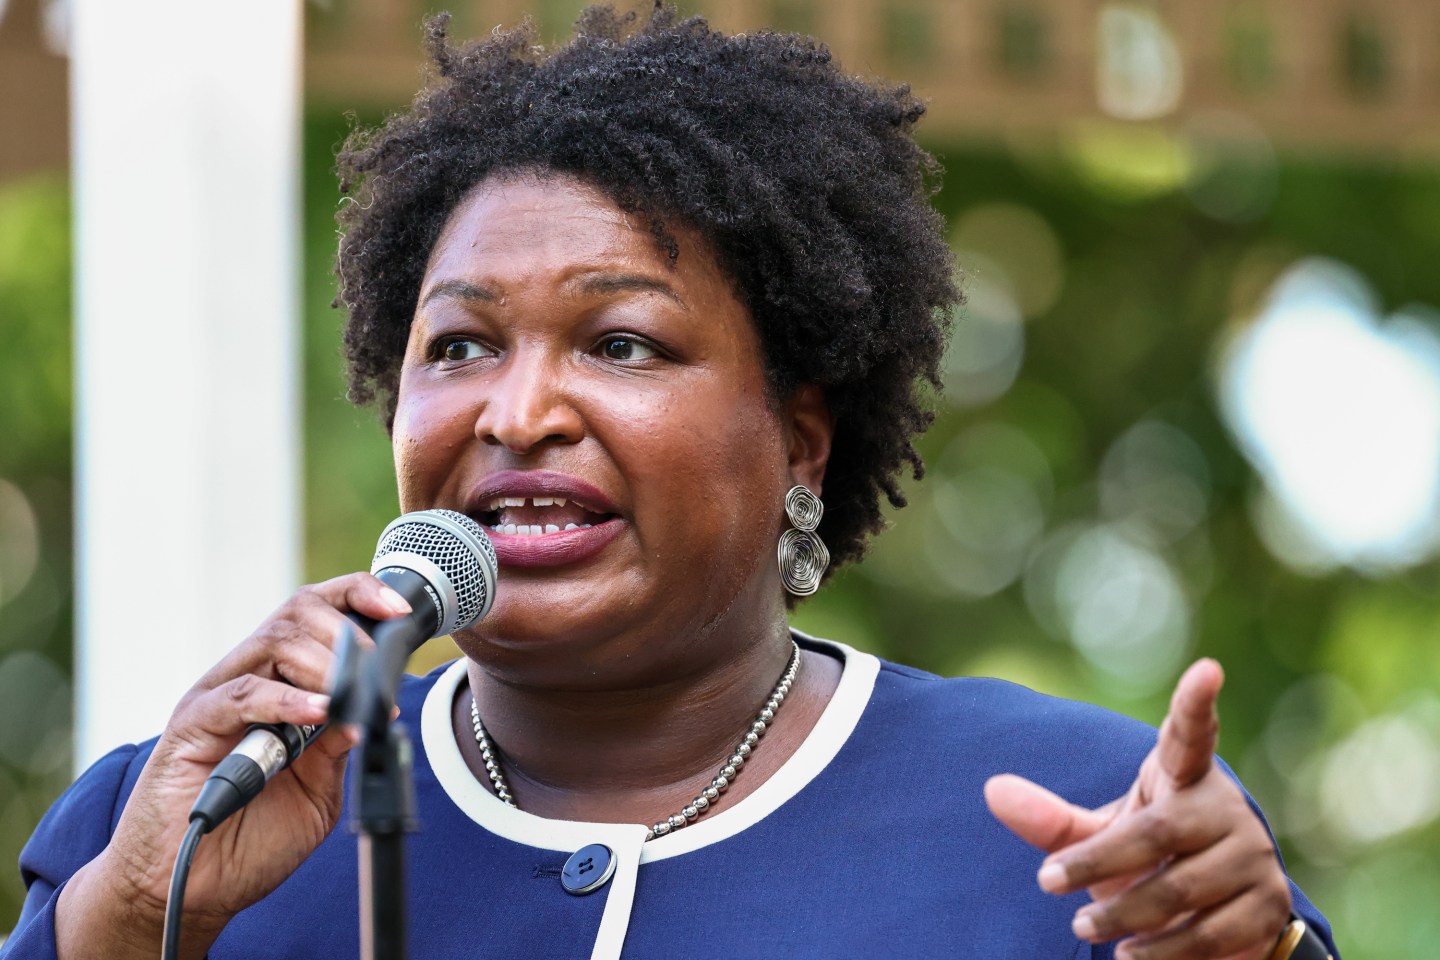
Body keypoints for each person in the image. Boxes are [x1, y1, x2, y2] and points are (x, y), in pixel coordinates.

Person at [4, 6, 1337, 959]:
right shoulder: (180, 824)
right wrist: (133, 918)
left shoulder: (1083, 829)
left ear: (800, 441)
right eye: (459, 345)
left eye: (621, 342)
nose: (518, 411)